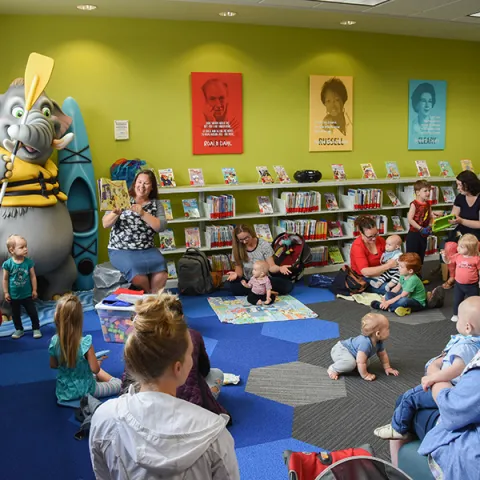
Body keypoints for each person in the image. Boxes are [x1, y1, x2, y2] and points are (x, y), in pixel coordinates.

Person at [89, 292, 240, 480]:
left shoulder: (103, 418)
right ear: (178, 368)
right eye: (189, 355)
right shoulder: (215, 434)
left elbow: (103, 475)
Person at [374, 296, 480, 441]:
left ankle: (398, 428)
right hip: (454, 388)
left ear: (468, 327)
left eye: (459, 318)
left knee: (409, 397)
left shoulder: (466, 346)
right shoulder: (475, 344)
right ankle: (402, 422)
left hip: (450, 386)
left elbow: (457, 369)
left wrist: (433, 377)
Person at [121, 328, 230, 418]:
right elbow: (205, 371)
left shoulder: (109, 412)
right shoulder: (210, 426)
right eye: (189, 355)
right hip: (194, 412)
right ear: (177, 367)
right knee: (217, 374)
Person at [103, 169, 168, 293]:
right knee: (139, 276)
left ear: (152, 187)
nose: (141, 186)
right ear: (134, 183)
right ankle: (150, 300)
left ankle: (153, 301)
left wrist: (143, 213)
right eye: (139, 182)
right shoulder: (121, 197)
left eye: (146, 183)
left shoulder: (156, 204)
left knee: (162, 272)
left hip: (147, 248)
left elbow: (161, 227)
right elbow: (105, 224)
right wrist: (114, 213)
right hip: (121, 249)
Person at [49, 294, 122, 402]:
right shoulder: (85, 343)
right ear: (79, 320)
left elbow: (53, 365)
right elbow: (95, 370)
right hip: (88, 390)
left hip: (64, 391)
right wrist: (97, 362)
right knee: (119, 384)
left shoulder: (54, 341)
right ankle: (97, 365)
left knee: (87, 370)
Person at [327, 312, 398, 381]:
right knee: (353, 363)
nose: (389, 330)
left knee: (366, 363)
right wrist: (365, 375)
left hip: (352, 354)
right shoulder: (365, 343)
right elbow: (360, 362)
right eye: (388, 328)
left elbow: (383, 355)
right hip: (341, 350)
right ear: (378, 333)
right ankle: (333, 369)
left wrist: (388, 368)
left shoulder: (379, 341)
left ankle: (352, 366)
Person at [227, 224, 294, 296]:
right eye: (241, 240)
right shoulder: (237, 248)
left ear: (251, 233)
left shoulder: (263, 245)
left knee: (288, 286)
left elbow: (271, 267)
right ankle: (263, 291)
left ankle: (257, 290)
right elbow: (239, 270)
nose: (244, 242)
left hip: (263, 279)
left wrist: (280, 268)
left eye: (246, 238)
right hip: (248, 280)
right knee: (229, 285)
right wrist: (236, 274)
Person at [442, 170, 480, 289]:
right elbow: (454, 215)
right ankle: (453, 276)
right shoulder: (460, 197)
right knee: (449, 247)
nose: (457, 188)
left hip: (476, 233)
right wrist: (444, 216)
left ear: (468, 184)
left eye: (459, 185)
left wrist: (461, 221)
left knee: (472, 246)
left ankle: (473, 275)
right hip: (461, 232)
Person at [2, 235, 41, 339]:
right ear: (12, 250)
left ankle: (36, 328)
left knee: (32, 312)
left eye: (26, 246)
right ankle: (19, 329)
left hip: (27, 294)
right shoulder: (7, 264)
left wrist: (34, 290)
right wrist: (6, 292)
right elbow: (5, 279)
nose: (25, 249)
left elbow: (33, 276)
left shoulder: (28, 262)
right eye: (22, 247)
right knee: (15, 314)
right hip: (14, 296)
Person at [349, 215, 396, 294]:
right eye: (370, 237)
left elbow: (391, 255)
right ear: (361, 233)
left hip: (383, 274)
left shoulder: (380, 240)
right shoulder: (357, 246)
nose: (374, 238)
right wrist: (388, 266)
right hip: (364, 278)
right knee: (392, 289)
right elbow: (365, 272)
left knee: (406, 284)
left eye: (375, 234)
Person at [371, 253, 426, 317]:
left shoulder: (413, 279)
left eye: (401, 267)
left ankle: (385, 307)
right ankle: (395, 308)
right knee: (389, 293)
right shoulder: (402, 275)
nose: (398, 268)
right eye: (399, 265)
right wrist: (384, 297)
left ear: (410, 271)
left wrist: (388, 302)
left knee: (403, 301)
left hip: (417, 303)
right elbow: (397, 287)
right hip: (407, 296)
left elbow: (402, 296)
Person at [441, 233, 480, 323]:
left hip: (472, 285)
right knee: (457, 300)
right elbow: (448, 261)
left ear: (470, 248)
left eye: (461, 247)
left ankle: (476, 315)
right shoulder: (457, 256)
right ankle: (456, 314)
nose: (458, 248)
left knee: (475, 301)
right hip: (459, 285)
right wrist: (444, 256)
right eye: (458, 246)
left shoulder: (476, 259)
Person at [406, 180, 434, 265]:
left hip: (423, 234)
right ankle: (410, 275)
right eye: (425, 191)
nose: (428, 193)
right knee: (412, 257)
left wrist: (429, 226)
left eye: (429, 190)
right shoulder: (414, 204)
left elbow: (431, 216)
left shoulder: (428, 204)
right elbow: (410, 219)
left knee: (420, 255)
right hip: (414, 234)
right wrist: (420, 228)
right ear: (418, 192)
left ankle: (419, 275)